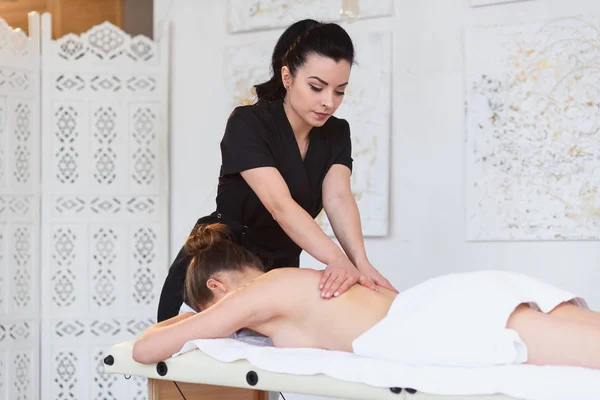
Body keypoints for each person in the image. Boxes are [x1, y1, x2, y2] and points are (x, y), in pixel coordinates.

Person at [157, 19, 397, 322]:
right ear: (287, 76)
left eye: (339, 91)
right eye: (316, 87)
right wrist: (336, 259)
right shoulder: (248, 124)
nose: (328, 102)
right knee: (187, 364)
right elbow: (280, 206)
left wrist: (360, 264)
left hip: (279, 271)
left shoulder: (336, 132)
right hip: (219, 267)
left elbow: (338, 198)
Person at [135, 224, 600, 370]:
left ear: (218, 287)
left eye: (213, 314)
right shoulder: (290, 281)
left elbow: (144, 348)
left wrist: (189, 320)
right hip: (441, 302)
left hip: (429, 323)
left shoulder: (256, 293)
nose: (231, 328)